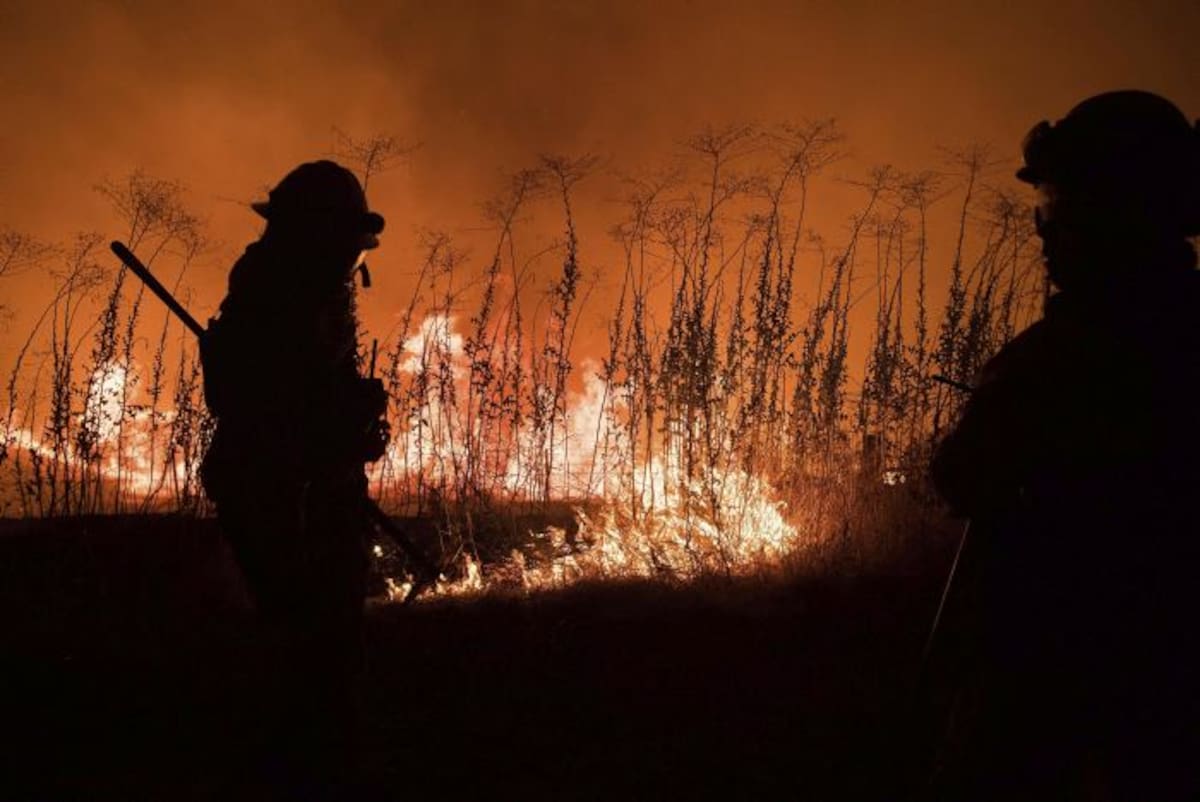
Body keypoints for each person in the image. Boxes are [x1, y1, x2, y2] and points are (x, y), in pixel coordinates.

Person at [928, 90, 1200, 799]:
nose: (1043, 229)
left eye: (1058, 203)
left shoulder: (1061, 357)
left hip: (1053, 671)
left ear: (1112, 214)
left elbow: (962, 474)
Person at [199, 160, 390, 797]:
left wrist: (356, 419)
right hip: (278, 490)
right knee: (306, 645)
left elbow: (321, 391)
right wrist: (335, 427)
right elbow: (261, 405)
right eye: (343, 240)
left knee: (325, 644)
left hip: (315, 486)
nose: (351, 255)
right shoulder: (272, 296)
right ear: (314, 234)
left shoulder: (317, 291)